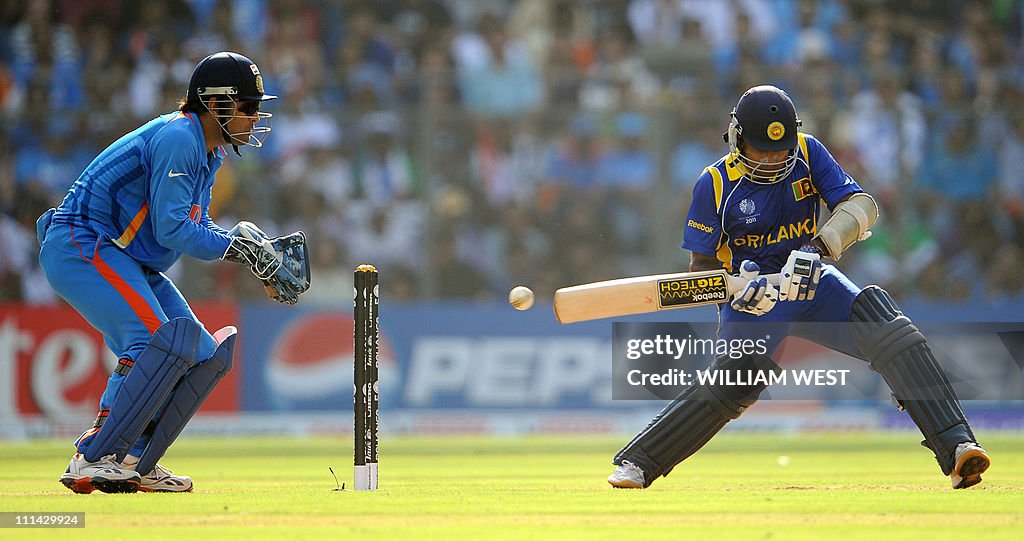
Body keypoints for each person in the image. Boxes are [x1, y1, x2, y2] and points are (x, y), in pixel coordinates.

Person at [606, 85, 990, 490]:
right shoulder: (714, 183)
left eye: (779, 149)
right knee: (733, 380)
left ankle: (958, 449)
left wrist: (817, 247)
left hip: (811, 282)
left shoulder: (807, 153)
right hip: (752, 297)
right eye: (761, 150)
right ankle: (639, 462)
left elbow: (861, 206)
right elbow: (698, 268)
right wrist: (735, 288)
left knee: (888, 329)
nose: (773, 159)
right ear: (738, 139)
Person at [38, 52, 309, 494]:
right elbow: (174, 228)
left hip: (124, 256)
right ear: (217, 104)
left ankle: (134, 460)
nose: (256, 118)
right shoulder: (180, 136)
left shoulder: (208, 152)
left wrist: (244, 249)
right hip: (82, 242)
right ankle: (93, 456)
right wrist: (239, 248)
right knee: (151, 343)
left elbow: (194, 224)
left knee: (203, 355)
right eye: (249, 106)